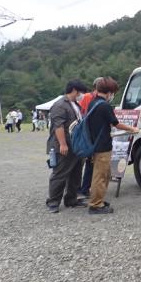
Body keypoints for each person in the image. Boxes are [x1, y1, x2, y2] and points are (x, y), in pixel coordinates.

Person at [86, 77, 140, 214]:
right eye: (113, 92)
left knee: (101, 174)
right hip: (102, 146)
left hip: (96, 144)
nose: (112, 95)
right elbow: (116, 123)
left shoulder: (93, 103)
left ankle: (99, 201)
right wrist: (131, 129)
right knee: (100, 176)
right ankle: (95, 205)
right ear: (109, 92)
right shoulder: (104, 105)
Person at [46, 80, 89, 213]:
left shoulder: (74, 104)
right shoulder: (60, 105)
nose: (82, 95)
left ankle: (71, 198)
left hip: (75, 146)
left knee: (75, 174)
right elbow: (58, 126)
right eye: (81, 92)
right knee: (60, 174)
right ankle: (53, 201)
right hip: (63, 146)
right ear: (75, 90)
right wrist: (63, 144)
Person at [78, 77, 101, 197]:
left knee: (89, 162)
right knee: (87, 161)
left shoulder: (100, 98)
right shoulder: (87, 97)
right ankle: (82, 188)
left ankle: (85, 187)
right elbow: (80, 113)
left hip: (93, 133)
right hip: (87, 133)